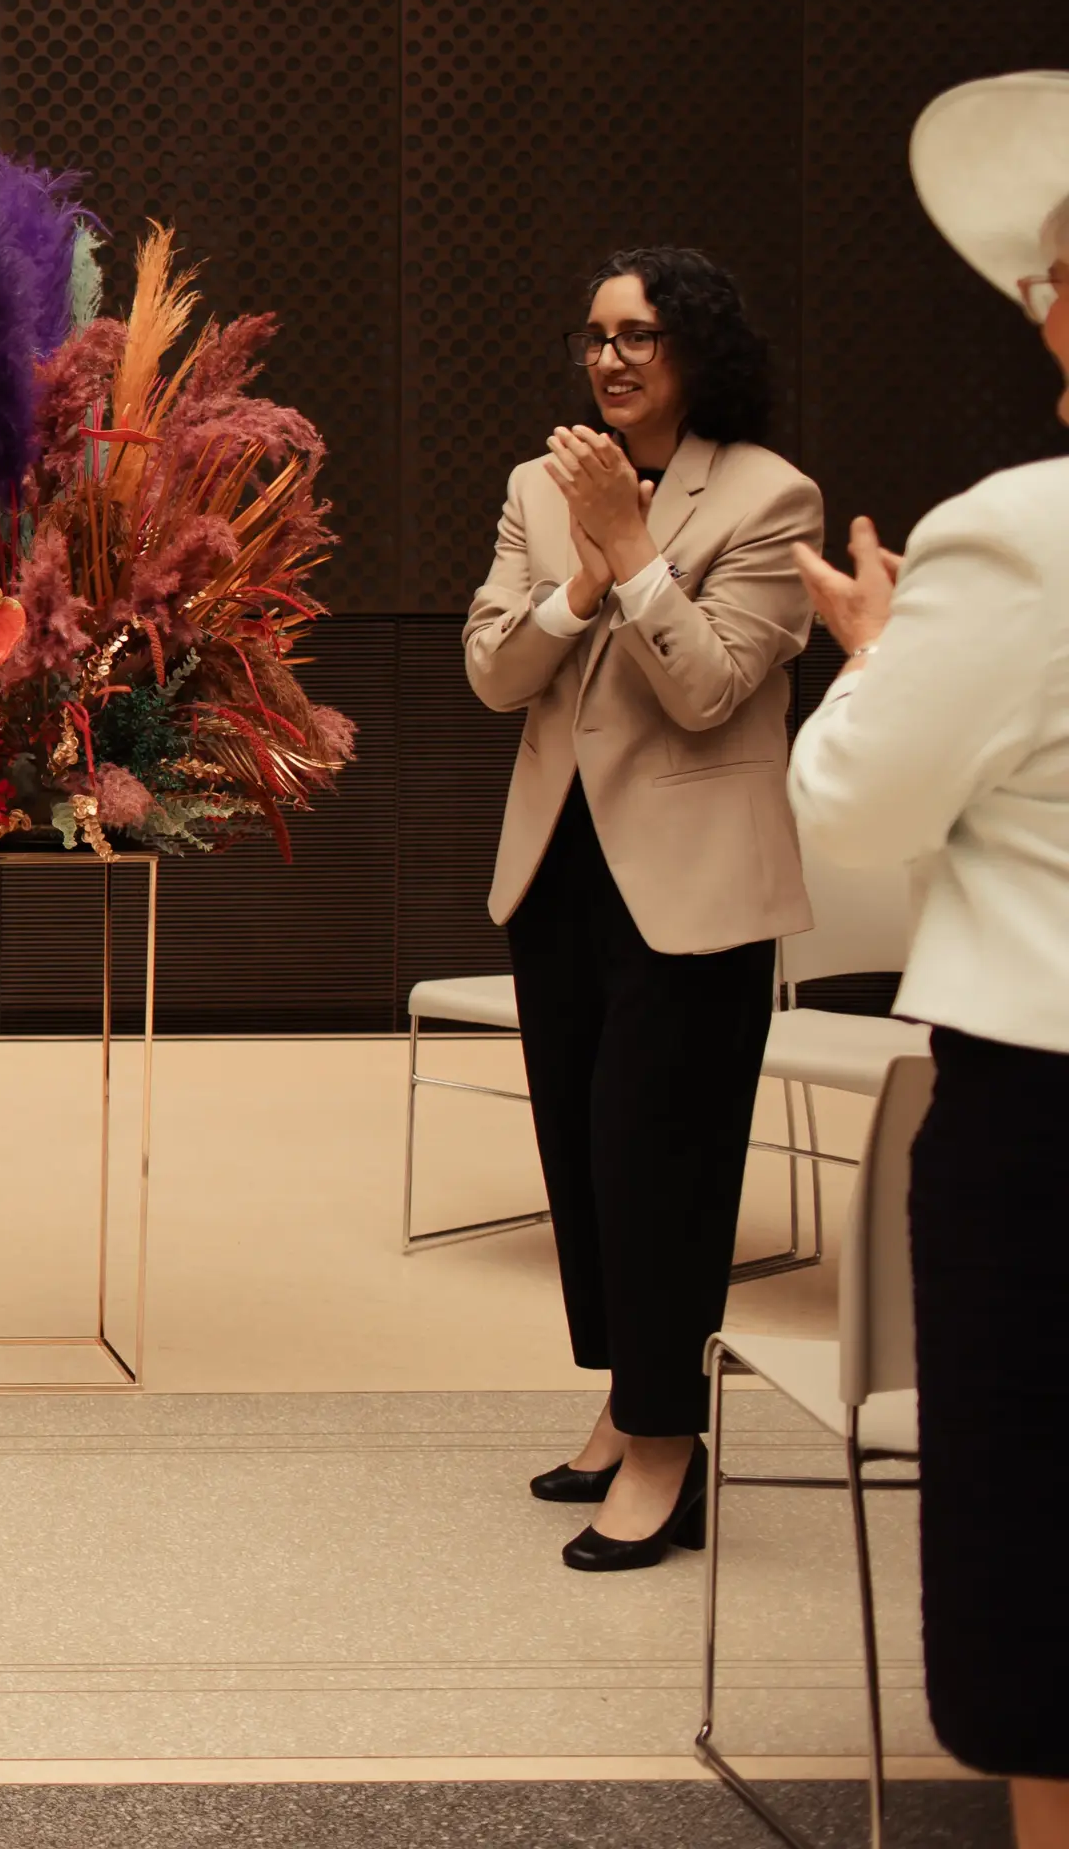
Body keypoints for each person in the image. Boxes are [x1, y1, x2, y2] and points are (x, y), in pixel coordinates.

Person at [784, 69, 1069, 1842]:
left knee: (1046, 1522)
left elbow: (859, 806)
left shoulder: (1021, 534)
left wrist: (879, 652)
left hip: (1051, 1112)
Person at [461, 249, 822, 1571]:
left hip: (696, 891)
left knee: (658, 1167)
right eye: (599, 333)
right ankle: (628, 1396)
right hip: (559, 871)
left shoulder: (772, 496)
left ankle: (671, 1447)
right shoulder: (534, 488)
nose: (613, 358)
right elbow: (497, 672)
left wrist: (632, 553)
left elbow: (713, 688)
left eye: (644, 336)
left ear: (698, 352)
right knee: (586, 1162)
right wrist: (575, 580)